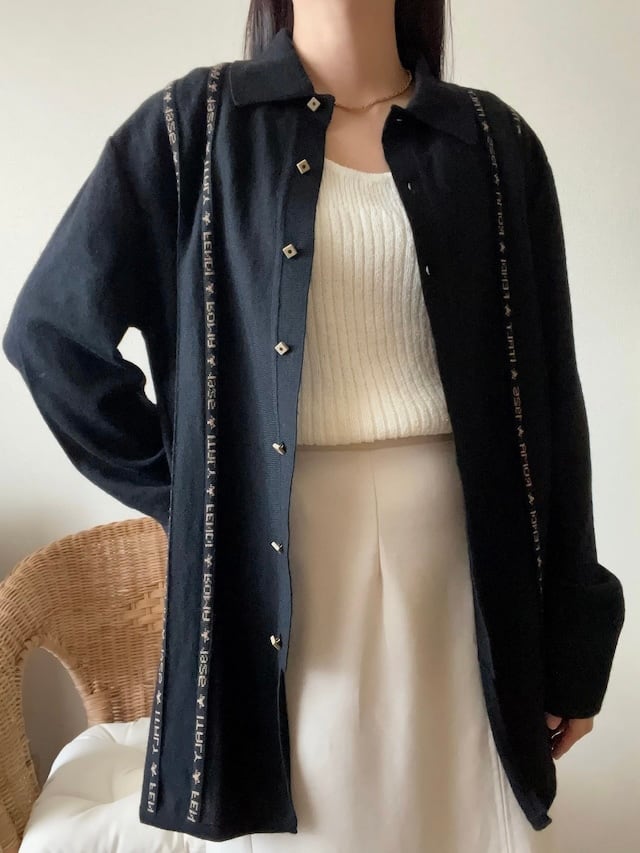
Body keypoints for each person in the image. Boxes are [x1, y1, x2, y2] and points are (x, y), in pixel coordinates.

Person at [3, 0, 625, 850]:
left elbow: (552, 403)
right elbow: (51, 335)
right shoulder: (195, 130)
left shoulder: (493, 143)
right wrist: (196, 492)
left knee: (454, 817)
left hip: (467, 578)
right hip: (287, 581)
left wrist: (574, 642)